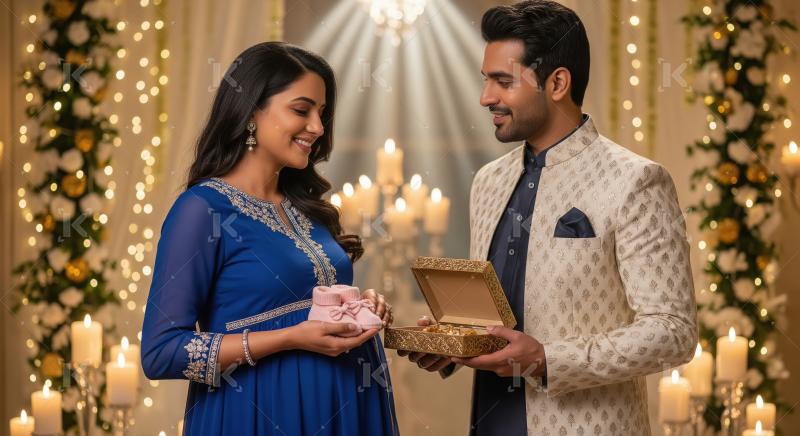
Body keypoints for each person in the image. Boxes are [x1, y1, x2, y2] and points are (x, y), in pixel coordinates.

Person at [399, 2, 698, 435]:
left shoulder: (636, 181)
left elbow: (673, 331)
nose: (486, 98)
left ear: (557, 83)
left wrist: (545, 359)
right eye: (486, 80)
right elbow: (493, 319)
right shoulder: (488, 182)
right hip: (490, 421)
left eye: (503, 82)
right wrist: (450, 341)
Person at [140, 42, 398, 436]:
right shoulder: (202, 209)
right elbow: (161, 354)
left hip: (347, 404)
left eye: (322, 114)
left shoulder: (306, 208)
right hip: (256, 412)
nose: (317, 127)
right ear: (251, 112)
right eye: (301, 110)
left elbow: (307, 303)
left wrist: (359, 305)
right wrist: (289, 338)